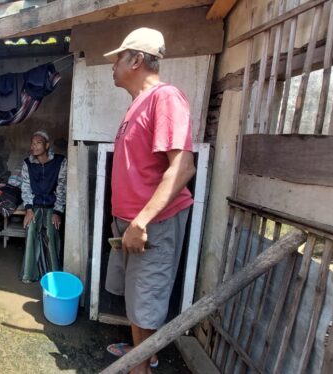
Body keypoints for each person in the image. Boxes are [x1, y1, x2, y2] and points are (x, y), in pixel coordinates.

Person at [102, 28, 196, 373]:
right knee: (137, 300)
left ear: (137, 59)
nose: (112, 66)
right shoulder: (136, 105)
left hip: (151, 225)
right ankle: (144, 352)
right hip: (131, 224)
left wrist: (140, 222)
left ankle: (141, 366)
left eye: (117, 59)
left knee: (146, 301)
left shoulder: (165, 97)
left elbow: (183, 167)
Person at [20, 130, 67, 283]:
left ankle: (53, 274)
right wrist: (28, 209)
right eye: (32, 143)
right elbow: (26, 187)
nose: (34, 146)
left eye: (38, 143)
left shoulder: (60, 161)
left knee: (51, 232)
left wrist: (58, 211)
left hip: (53, 206)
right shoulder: (28, 163)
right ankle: (30, 274)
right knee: (31, 228)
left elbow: (62, 187)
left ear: (47, 145)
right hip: (35, 205)